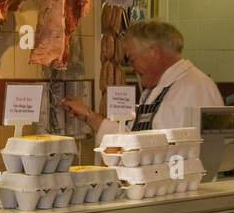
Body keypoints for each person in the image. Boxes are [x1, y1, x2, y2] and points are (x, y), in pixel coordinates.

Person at [60, 19, 224, 137]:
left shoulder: (191, 88)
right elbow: (134, 137)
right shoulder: (163, 88)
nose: (131, 68)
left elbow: (170, 151)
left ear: (155, 52)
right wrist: (88, 116)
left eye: (133, 59)